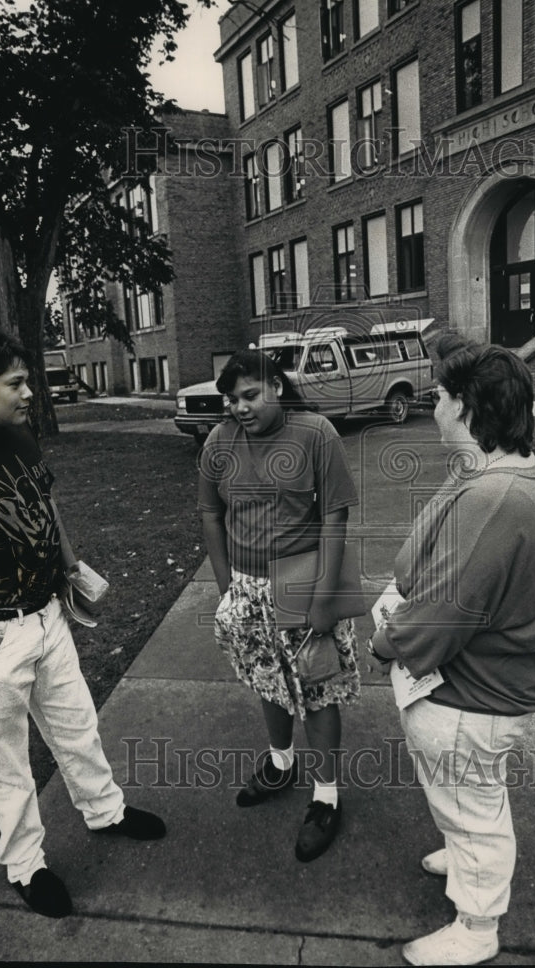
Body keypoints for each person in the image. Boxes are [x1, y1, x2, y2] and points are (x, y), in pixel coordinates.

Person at [0, 326, 166, 919]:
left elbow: (45, 505)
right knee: (8, 759)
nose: (28, 392)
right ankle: (25, 864)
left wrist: (71, 569)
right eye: (15, 382)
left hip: (48, 617)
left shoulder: (18, 436)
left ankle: (105, 811)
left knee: (77, 726)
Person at [366, 337, 535, 965]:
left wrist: (382, 639)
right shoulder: (489, 469)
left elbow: (440, 622)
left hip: (474, 694)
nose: (434, 403)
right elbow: (430, 568)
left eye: (443, 395)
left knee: (474, 805)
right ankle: (464, 851)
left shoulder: (491, 496)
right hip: (474, 681)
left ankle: (478, 928)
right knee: (465, 797)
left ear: (469, 408)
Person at [198, 348, 362, 862]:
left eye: (250, 395)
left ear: (277, 388)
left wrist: (321, 598)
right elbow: (209, 512)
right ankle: (280, 763)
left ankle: (326, 794)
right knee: (266, 679)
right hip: (245, 583)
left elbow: (335, 517)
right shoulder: (220, 441)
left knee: (317, 688)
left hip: (301, 576)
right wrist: (227, 586)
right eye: (231, 398)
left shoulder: (315, 434)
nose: (239, 407)